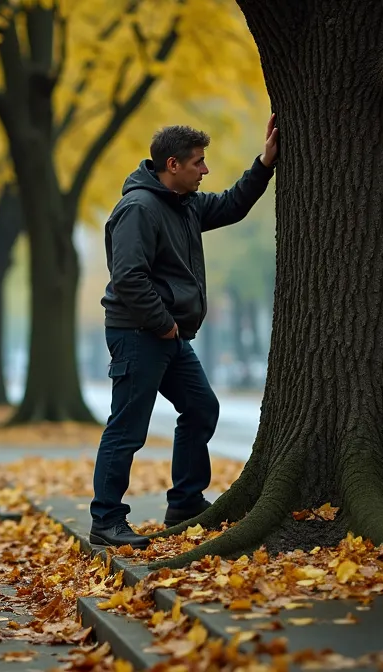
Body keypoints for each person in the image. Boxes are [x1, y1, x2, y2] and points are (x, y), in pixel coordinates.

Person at [89, 115, 279, 549]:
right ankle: (106, 520)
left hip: (168, 336)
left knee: (201, 408)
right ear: (172, 165)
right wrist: (165, 324)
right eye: (199, 163)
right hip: (138, 333)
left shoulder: (184, 204)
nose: (205, 171)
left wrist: (264, 163)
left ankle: (185, 502)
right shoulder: (139, 209)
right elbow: (128, 277)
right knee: (127, 428)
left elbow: (231, 205)